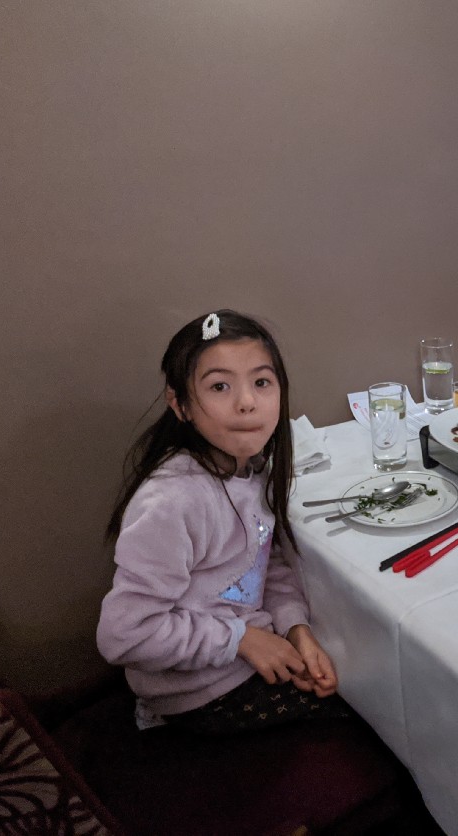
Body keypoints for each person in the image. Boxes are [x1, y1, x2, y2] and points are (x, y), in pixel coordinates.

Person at [98, 310, 342, 733]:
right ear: (181, 405)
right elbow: (125, 635)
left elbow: (264, 564)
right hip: (201, 692)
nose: (246, 402)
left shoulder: (252, 469)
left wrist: (295, 628)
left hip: (243, 653)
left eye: (261, 382)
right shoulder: (173, 501)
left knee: (353, 673)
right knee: (365, 714)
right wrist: (241, 639)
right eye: (219, 386)